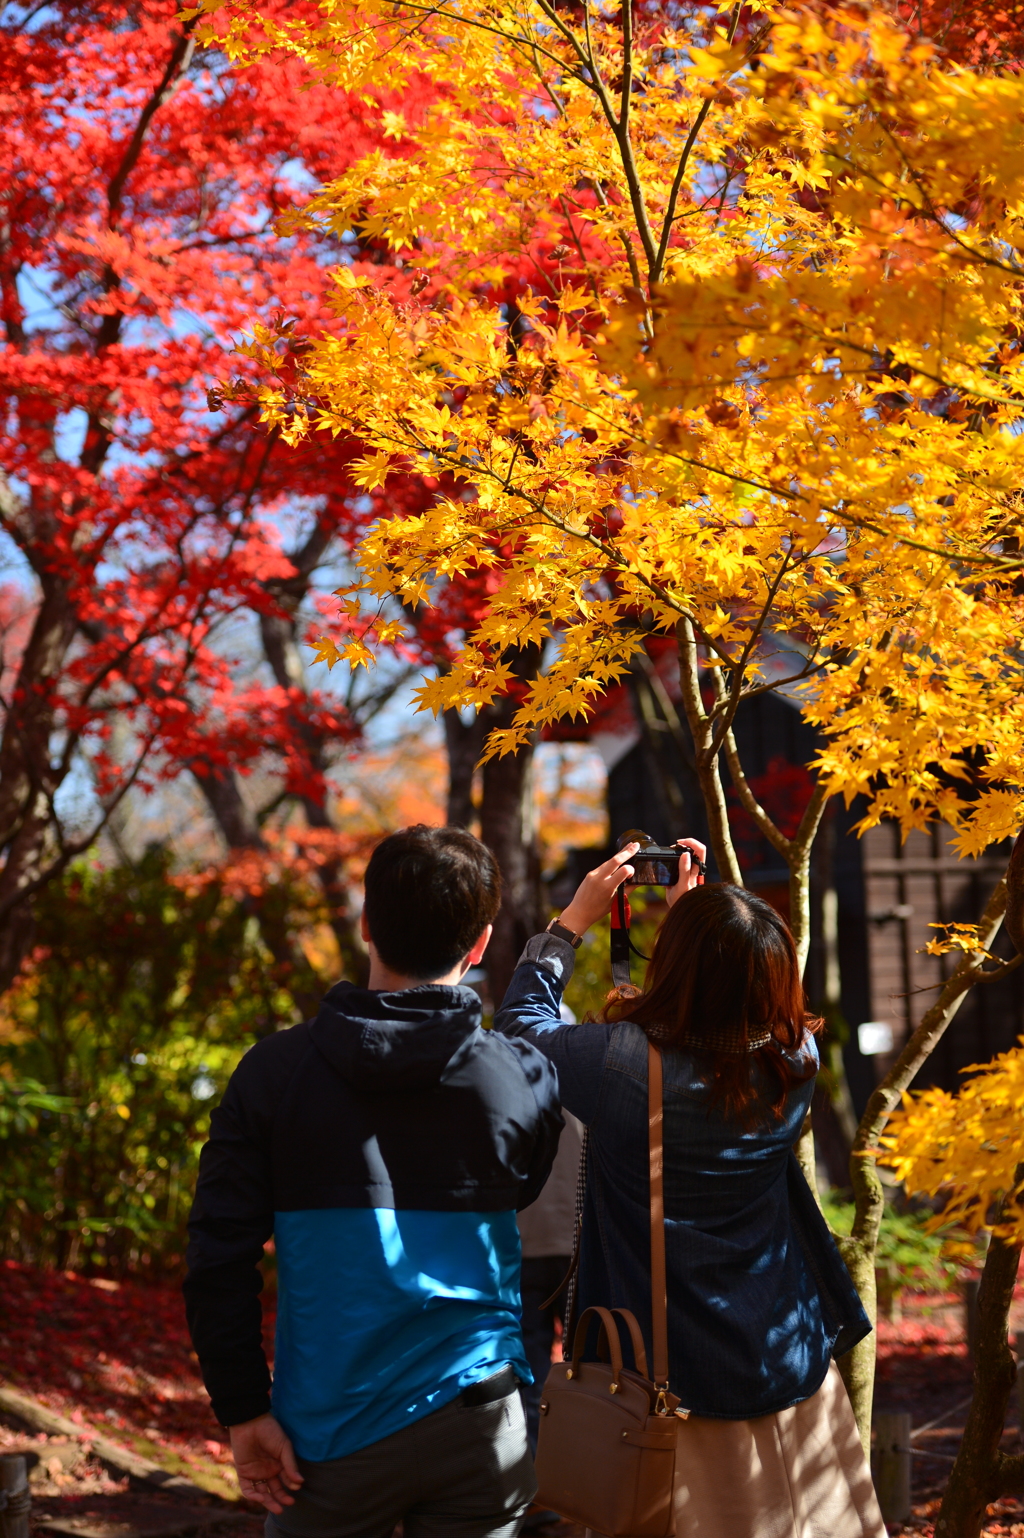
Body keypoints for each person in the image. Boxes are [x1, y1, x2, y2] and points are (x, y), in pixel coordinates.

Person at [494, 838, 887, 1538]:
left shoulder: (618, 1068)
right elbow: (717, 1013)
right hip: (781, 1345)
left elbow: (521, 1031)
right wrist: (700, 920)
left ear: (676, 965)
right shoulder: (796, 1054)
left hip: (663, 1375)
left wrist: (571, 924)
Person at [184, 825, 563, 1538]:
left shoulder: (273, 1075)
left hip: (325, 1436)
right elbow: (525, 1187)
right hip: (479, 1421)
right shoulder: (522, 1077)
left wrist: (242, 1408)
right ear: (479, 945)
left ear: (365, 923)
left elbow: (217, 1256)